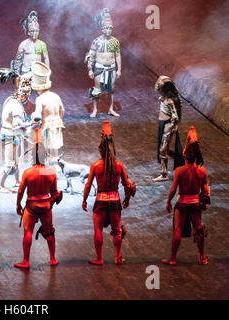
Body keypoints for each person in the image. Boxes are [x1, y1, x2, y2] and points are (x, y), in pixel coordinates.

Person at [82, 121, 135, 265]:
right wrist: (127, 198)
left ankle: (99, 258)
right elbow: (126, 184)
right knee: (117, 230)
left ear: (101, 150)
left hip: (101, 200)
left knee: (98, 230)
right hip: (115, 200)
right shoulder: (119, 165)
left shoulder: (96, 165)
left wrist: (85, 200)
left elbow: (88, 185)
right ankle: (118, 257)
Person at [162, 126, 210, 265]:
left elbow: (173, 189)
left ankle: (173, 258)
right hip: (195, 204)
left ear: (185, 154)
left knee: (178, 229)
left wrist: (168, 202)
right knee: (198, 229)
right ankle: (202, 257)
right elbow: (205, 188)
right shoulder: (202, 170)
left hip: (182, 204)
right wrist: (205, 202)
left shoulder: (180, 170)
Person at [15, 128, 62, 269]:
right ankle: (53, 259)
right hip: (46, 205)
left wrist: (18, 205)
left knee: (28, 232)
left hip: (31, 205)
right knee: (49, 232)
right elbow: (55, 192)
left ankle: (26, 261)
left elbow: (21, 191)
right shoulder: (51, 172)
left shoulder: (28, 172)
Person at [84, 8, 121, 117]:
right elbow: (90, 56)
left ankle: (110, 109)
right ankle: (95, 109)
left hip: (111, 68)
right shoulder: (96, 41)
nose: (109, 30)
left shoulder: (115, 42)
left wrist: (119, 69)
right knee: (97, 90)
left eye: (110, 28)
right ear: (102, 29)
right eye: (106, 28)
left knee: (112, 89)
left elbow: (118, 55)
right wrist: (90, 69)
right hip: (100, 68)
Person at [32, 61, 64, 167]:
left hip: (47, 126)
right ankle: (55, 168)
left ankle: (50, 169)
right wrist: (59, 119)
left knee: (46, 147)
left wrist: (33, 121)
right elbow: (62, 109)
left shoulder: (40, 99)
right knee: (54, 149)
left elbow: (37, 114)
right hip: (57, 124)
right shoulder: (56, 96)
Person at [153, 75, 184, 182]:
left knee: (163, 150)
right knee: (163, 149)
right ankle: (179, 159)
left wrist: (170, 129)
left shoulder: (169, 101)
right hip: (163, 124)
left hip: (167, 126)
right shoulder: (163, 98)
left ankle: (164, 173)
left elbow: (175, 117)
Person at [11, 11, 49, 75]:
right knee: (25, 84)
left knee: (38, 85)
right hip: (26, 72)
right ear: (28, 32)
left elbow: (46, 58)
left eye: (37, 31)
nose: (35, 33)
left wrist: (47, 73)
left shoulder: (42, 44)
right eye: (33, 31)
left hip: (38, 73)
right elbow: (18, 60)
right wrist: (16, 74)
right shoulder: (23, 44)